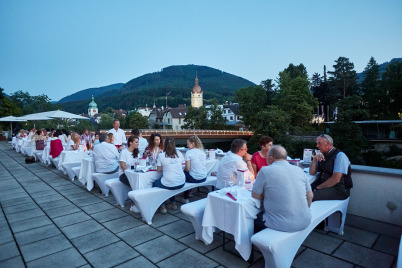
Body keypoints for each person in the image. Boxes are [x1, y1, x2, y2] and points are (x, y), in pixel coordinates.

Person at [252, 145, 313, 233]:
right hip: (305, 220)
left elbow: (255, 195)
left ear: (271, 158)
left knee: (253, 219)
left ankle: (255, 245)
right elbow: (310, 195)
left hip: (281, 224)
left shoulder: (265, 171)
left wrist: (268, 193)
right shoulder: (299, 170)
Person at [309, 134, 353, 201]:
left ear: (327, 143)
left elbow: (336, 179)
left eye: (319, 143)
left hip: (339, 189)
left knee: (309, 196)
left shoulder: (340, 156)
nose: (317, 146)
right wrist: (315, 159)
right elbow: (311, 172)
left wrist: (317, 188)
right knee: (302, 191)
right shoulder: (323, 155)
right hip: (326, 185)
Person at [154, 137, 185, 213]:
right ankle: (173, 203)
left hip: (171, 182)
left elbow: (158, 170)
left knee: (155, 184)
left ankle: (162, 205)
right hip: (181, 182)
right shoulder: (179, 153)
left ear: (165, 145)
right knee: (170, 181)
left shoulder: (162, 155)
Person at [118, 136, 140, 213]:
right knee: (136, 184)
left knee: (142, 182)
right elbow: (122, 166)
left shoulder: (137, 152)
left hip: (135, 173)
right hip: (124, 174)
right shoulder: (124, 152)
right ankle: (133, 205)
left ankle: (139, 202)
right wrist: (130, 174)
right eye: (136, 142)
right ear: (130, 143)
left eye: (138, 142)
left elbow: (138, 164)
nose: (138, 144)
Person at [182, 135, 207, 203]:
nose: (187, 146)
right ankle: (190, 192)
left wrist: (183, 171)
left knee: (182, 174)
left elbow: (187, 169)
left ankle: (185, 197)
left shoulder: (189, 152)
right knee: (189, 173)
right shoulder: (202, 152)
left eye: (188, 144)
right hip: (204, 177)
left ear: (193, 143)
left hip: (195, 179)